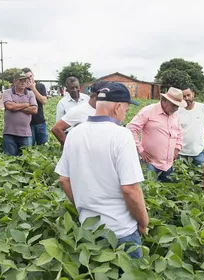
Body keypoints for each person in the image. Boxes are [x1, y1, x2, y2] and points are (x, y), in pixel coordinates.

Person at [55, 82, 148, 259]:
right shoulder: (121, 134)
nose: (124, 115)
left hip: (88, 230)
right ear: (118, 107)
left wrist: (82, 207)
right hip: (121, 231)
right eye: (126, 110)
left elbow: (64, 180)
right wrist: (143, 222)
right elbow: (130, 189)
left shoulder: (74, 133)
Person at [127, 87, 186, 182]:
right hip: (150, 163)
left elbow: (179, 132)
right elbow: (131, 129)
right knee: (150, 191)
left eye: (178, 106)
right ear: (164, 100)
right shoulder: (148, 111)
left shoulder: (175, 115)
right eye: (174, 105)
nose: (176, 108)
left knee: (167, 193)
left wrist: (177, 148)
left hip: (168, 165)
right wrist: (140, 150)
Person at [51, 80, 109, 148]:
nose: (75, 90)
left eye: (76, 87)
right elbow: (56, 128)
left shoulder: (104, 109)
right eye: (72, 88)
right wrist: (69, 147)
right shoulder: (76, 110)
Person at [2, 73, 38, 156]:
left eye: (25, 80)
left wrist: (16, 105)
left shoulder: (30, 93)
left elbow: (34, 110)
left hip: (25, 133)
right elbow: (9, 106)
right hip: (9, 133)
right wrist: (26, 104)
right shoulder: (7, 92)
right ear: (15, 82)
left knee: (27, 160)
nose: (23, 82)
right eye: (20, 80)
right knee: (9, 159)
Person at [177, 86, 204, 166]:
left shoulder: (203, 108)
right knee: (181, 175)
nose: (186, 98)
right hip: (181, 151)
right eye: (184, 96)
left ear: (193, 94)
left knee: (201, 176)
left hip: (198, 151)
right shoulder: (178, 110)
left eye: (188, 95)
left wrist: (199, 134)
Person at [22, 67, 48, 146]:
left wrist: (33, 88)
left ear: (33, 75)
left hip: (40, 122)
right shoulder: (22, 89)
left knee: (43, 147)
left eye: (30, 76)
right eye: (26, 77)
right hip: (27, 124)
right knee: (29, 148)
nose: (29, 79)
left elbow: (43, 101)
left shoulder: (40, 86)